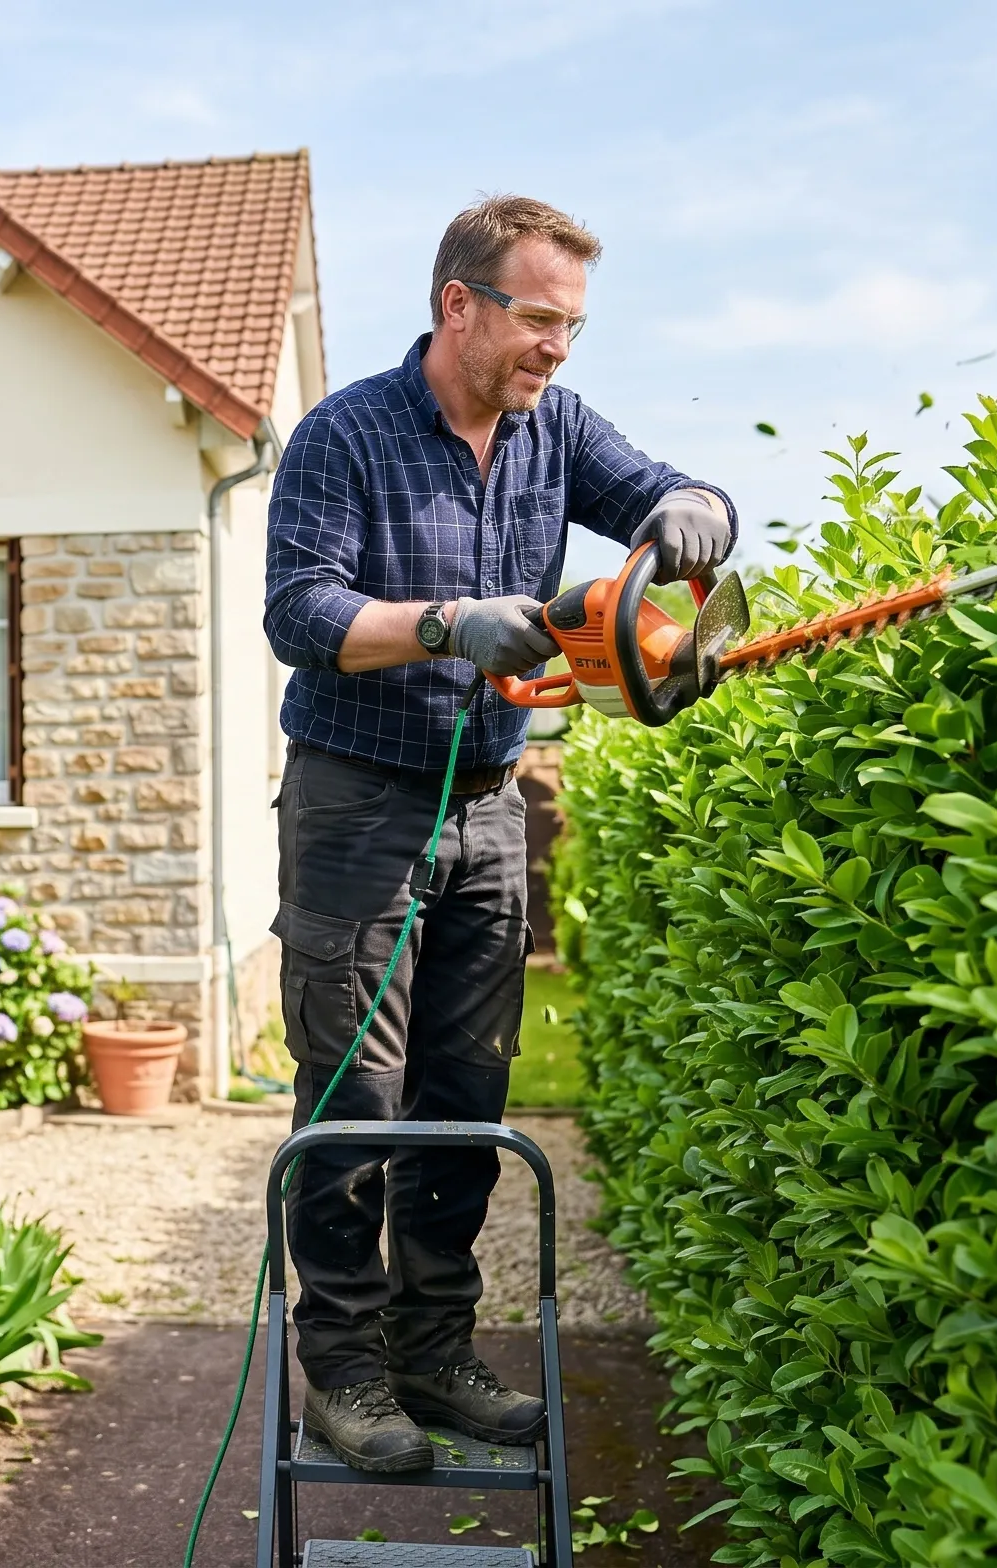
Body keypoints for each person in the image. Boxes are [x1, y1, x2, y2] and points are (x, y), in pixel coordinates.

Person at [259, 195, 734, 1473]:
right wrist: (443, 622)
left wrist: (694, 508)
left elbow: (667, 494)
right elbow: (298, 610)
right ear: (456, 304)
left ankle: (433, 1351)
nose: (554, 349)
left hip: (487, 803)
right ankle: (343, 1372)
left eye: (571, 327)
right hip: (354, 802)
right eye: (536, 319)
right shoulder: (344, 432)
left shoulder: (555, 427)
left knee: (466, 1092)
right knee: (355, 1098)